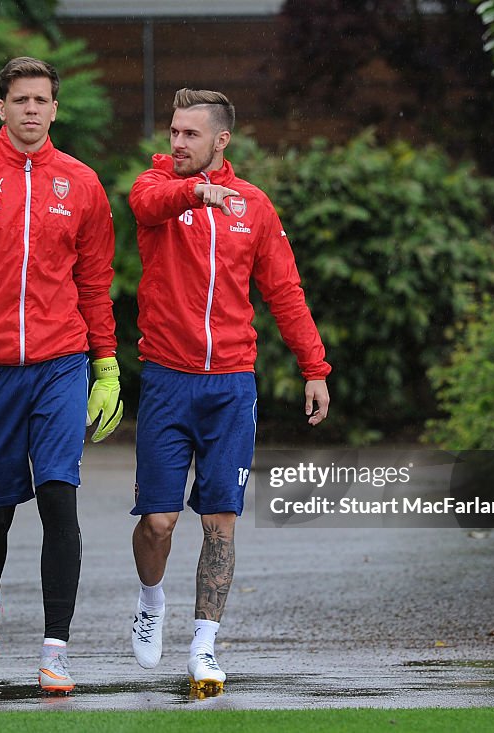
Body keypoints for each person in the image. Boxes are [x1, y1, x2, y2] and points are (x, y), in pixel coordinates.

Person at [0, 56, 123, 694]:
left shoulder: (83, 184)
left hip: (61, 365)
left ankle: (56, 648)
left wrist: (108, 364)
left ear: (55, 109)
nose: (31, 109)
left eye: (42, 100)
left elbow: (94, 282)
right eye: (20, 100)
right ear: (1, 108)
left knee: (60, 498)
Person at [127, 88, 331, 696]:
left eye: (191, 134)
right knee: (159, 521)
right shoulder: (156, 190)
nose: (177, 143)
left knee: (220, 521)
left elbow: (285, 291)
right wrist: (193, 191)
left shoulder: (254, 207)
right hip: (166, 379)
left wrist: (314, 367)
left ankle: (204, 647)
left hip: (232, 387)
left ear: (221, 141)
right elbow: (151, 203)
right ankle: (150, 598)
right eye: (173, 132)